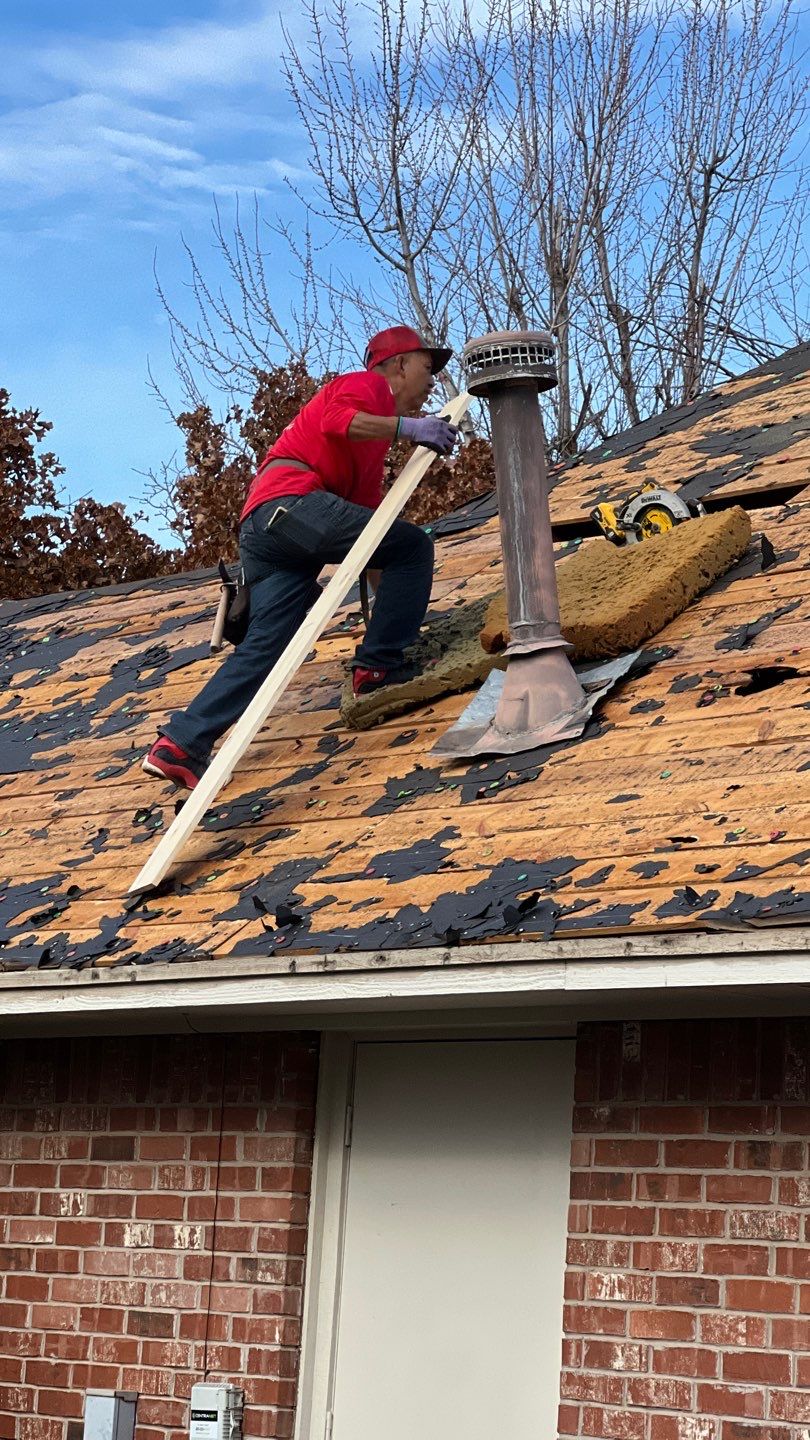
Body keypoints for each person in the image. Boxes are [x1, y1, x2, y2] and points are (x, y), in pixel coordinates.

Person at [142, 325, 458, 790]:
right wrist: (411, 428)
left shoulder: (370, 453)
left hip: (266, 530)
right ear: (397, 365)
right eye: (427, 369)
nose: (432, 383)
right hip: (291, 505)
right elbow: (336, 420)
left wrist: (394, 611)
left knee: (269, 644)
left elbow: (373, 547)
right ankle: (376, 670)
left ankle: (181, 744)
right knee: (415, 544)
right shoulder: (365, 384)